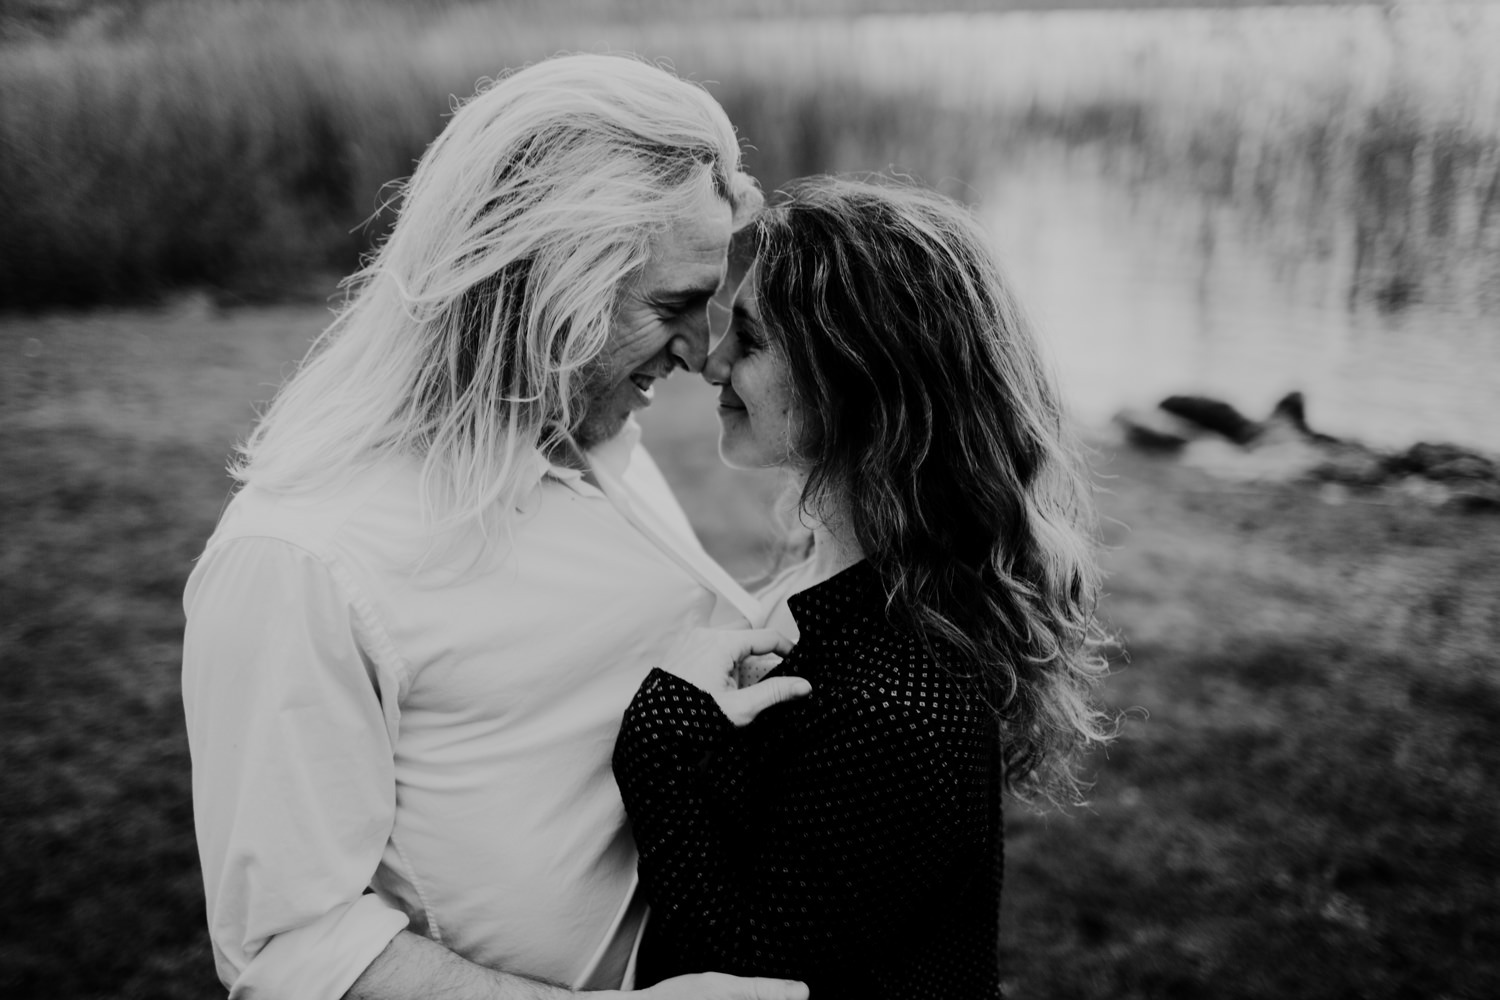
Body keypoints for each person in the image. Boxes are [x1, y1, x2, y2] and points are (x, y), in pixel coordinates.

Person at [180, 54, 810, 1000]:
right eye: (672, 305)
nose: (700, 351)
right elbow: (288, 953)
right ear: (539, 279)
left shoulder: (597, 444)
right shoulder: (302, 558)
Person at [612, 177, 1116, 999]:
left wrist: (662, 737)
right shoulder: (828, 585)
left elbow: (741, 975)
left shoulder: (901, 706)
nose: (710, 360)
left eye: (751, 338)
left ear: (863, 382)